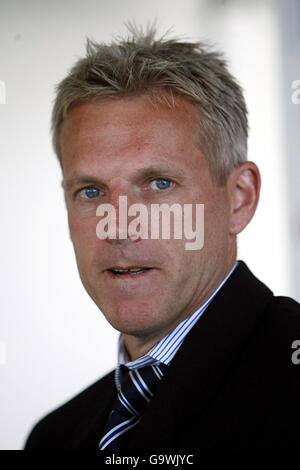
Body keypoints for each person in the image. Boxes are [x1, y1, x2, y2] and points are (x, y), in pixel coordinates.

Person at [25, 26, 300, 451]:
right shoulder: (55, 437)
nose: (117, 225)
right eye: (91, 192)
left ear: (239, 199)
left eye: (158, 183)